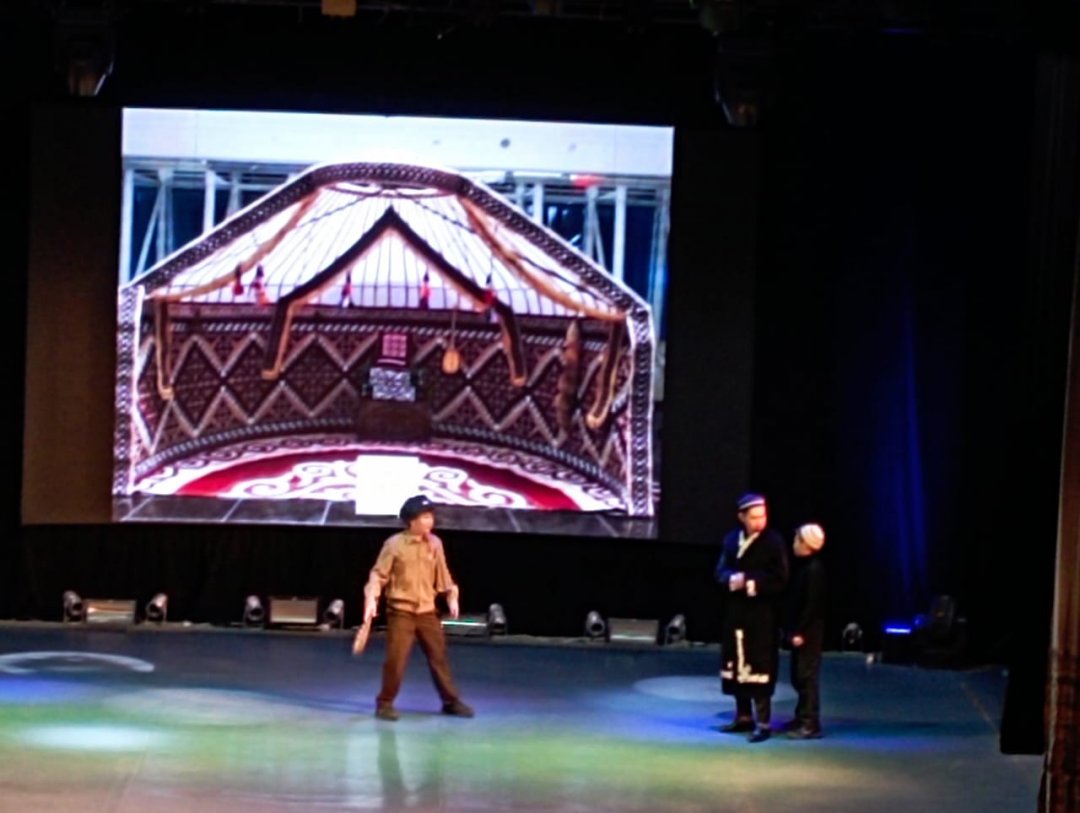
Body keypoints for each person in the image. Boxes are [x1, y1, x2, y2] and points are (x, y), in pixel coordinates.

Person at [363, 494, 474, 721]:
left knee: (438, 657)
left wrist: (451, 595)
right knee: (396, 660)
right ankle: (385, 703)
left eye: (431, 516)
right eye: (424, 516)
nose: (429, 520)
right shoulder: (394, 544)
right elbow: (378, 574)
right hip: (401, 611)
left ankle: (450, 701)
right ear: (411, 520)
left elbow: (443, 573)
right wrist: (372, 598)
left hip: (427, 611)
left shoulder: (435, 543)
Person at [714, 493, 789, 742]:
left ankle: (764, 723)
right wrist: (729, 579)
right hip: (736, 613)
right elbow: (720, 570)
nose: (759, 522)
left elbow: (780, 578)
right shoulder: (731, 539)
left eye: (762, 516)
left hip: (761, 615)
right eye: (754, 517)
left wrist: (749, 581)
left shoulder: (773, 542)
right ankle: (743, 716)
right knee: (737, 664)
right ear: (742, 517)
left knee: (759, 664)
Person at [783, 522, 827, 739]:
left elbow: (811, 605)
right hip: (801, 630)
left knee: (806, 676)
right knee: (798, 676)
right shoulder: (804, 567)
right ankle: (801, 716)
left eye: (797, 539)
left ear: (806, 544)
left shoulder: (814, 570)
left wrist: (800, 631)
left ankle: (811, 722)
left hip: (808, 633)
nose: (794, 543)